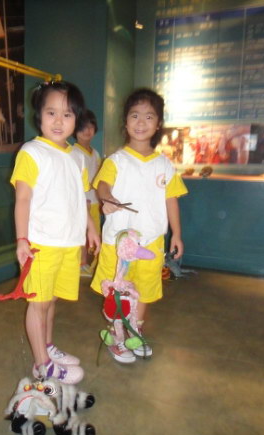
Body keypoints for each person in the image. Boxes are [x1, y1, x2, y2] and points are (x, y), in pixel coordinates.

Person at [10, 80, 101, 384]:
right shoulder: (31, 152)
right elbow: (23, 199)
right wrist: (22, 240)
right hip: (42, 243)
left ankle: (47, 347)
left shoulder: (77, 157)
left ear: (76, 119)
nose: (59, 121)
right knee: (38, 303)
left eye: (67, 114)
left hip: (68, 243)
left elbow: (80, 198)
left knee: (51, 301)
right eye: (51, 113)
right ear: (39, 115)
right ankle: (42, 365)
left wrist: (90, 228)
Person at [90, 88, 188, 362]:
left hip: (152, 241)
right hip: (118, 242)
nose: (141, 122)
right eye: (134, 115)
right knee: (117, 291)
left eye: (149, 116)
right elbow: (103, 186)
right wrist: (107, 198)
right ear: (125, 122)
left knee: (144, 290)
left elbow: (171, 200)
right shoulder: (116, 160)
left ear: (158, 124)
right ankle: (116, 336)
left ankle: (135, 332)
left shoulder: (165, 165)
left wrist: (177, 234)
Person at [72, 109, 102, 277]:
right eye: (82, 127)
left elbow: (99, 176)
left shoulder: (95, 153)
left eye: (90, 127)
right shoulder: (73, 153)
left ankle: (87, 264)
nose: (87, 131)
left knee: (93, 233)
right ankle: (80, 264)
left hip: (95, 201)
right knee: (81, 235)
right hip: (82, 202)